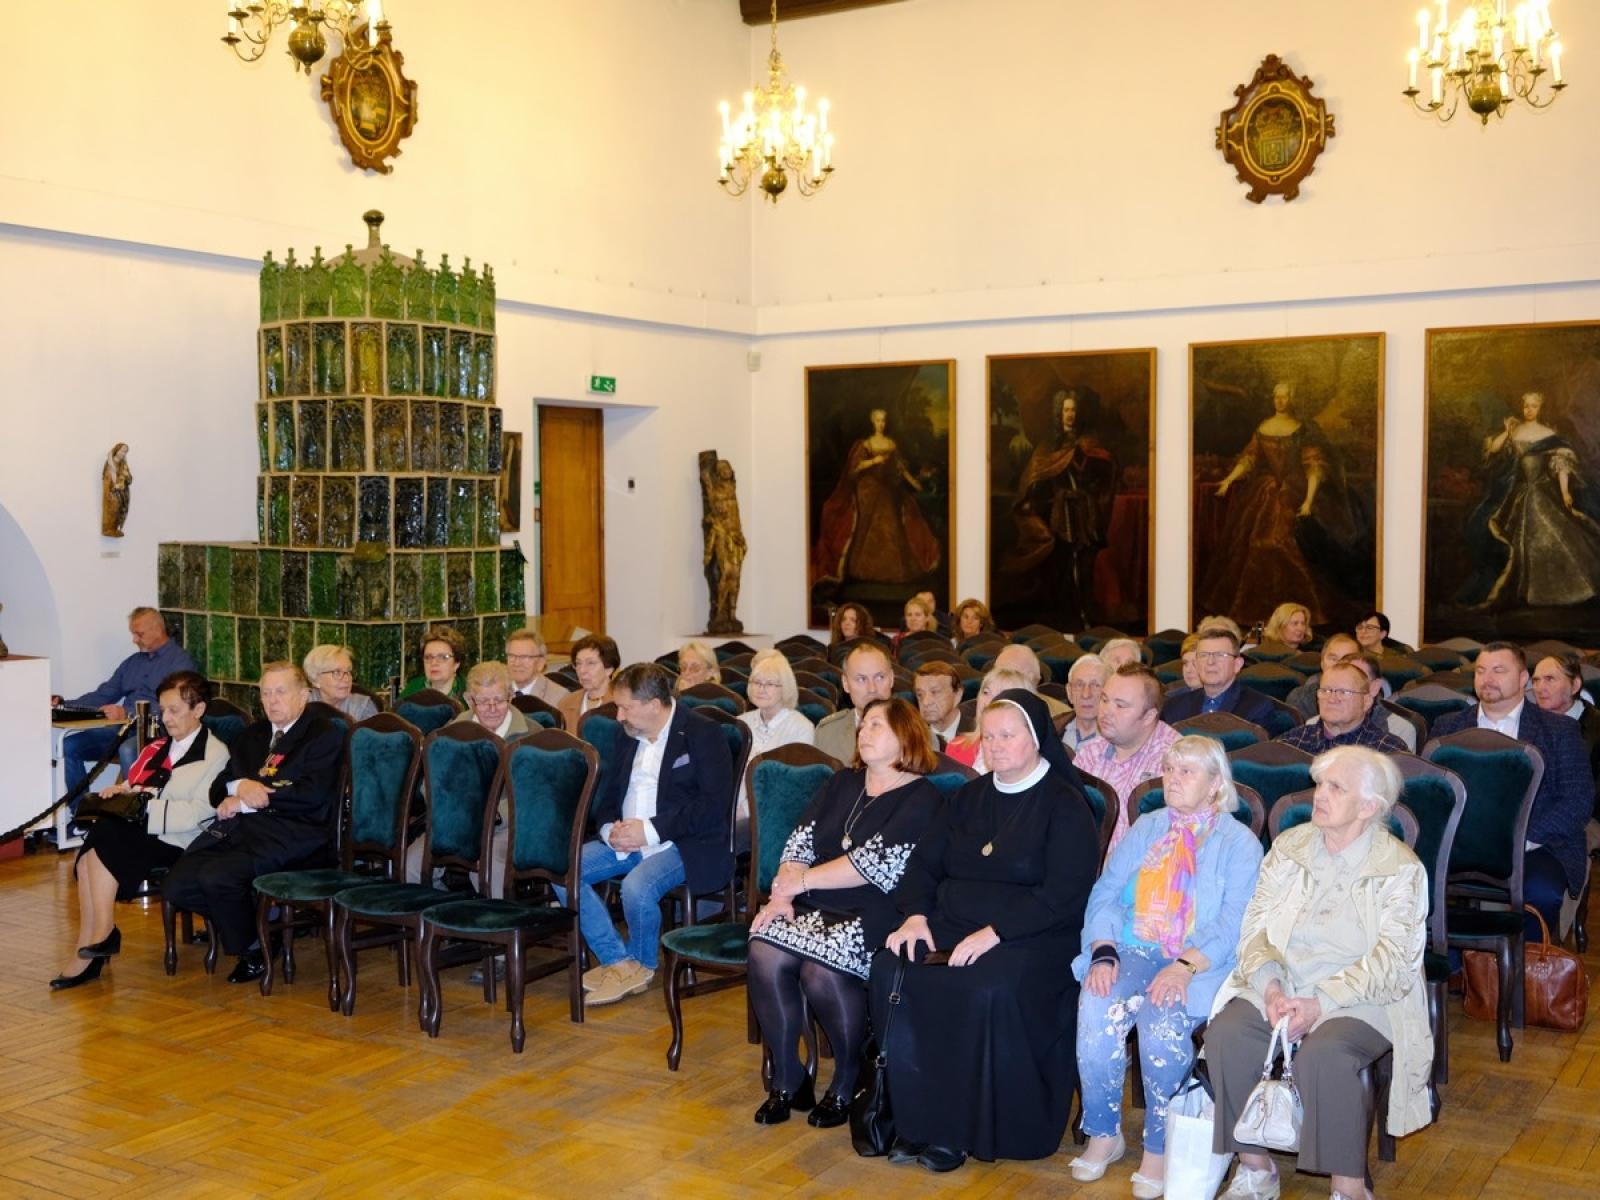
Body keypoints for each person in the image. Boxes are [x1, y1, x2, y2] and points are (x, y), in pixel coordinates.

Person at [873, 690, 1099, 1171]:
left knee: (982, 986)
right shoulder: (967, 797)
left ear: (1035, 739)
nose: (995, 746)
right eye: (988, 736)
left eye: (1007, 735)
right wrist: (915, 915)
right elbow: (923, 866)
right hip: (952, 924)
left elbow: (1065, 893)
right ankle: (916, 1120)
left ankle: (961, 1130)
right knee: (892, 967)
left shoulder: (1065, 804)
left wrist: (996, 933)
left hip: (1033, 936)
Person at [1206, 746, 1434, 1200]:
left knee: (1325, 1054)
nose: (1319, 795)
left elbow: (1393, 960)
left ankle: (1348, 1188)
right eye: (1319, 784)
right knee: (1228, 1034)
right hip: (1283, 983)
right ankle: (1256, 1169)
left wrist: (1321, 1003)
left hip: (1361, 998)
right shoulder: (1290, 848)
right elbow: (1254, 928)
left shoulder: (1399, 869)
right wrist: (1271, 987)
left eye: (1335, 787)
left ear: (1369, 807)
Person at [1069, 736, 1264, 1194]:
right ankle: (1103, 1133)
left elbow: (1235, 922)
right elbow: (1106, 893)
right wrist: (1103, 949)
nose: (1172, 780)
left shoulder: (1238, 844)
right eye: (1170, 769)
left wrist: (1182, 966)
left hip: (1198, 960)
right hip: (1133, 947)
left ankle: (1160, 1145)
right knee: (1097, 1004)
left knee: (1161, 1017)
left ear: (1216, 785)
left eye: (1187, 772)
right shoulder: (1148, 827)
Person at [748, 697, 941, 1126]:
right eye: (863, 725)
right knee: (764, 948)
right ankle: (788, 1077)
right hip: (814, 897)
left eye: (876, 726)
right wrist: (782, 895)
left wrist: (802, 882)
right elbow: (800, 841)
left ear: (906, 736)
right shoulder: (842, 782)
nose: (863, 732)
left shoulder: (921, 795)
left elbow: (872, 864)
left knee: (821, 971)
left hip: (875, 908)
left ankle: (848, 1077)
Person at [557, 663, 733, 1007]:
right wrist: (610, 830)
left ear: (654, 704)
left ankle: (644, 965)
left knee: (637, 886)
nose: (618, 714)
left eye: (626, 706)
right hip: (626, 839)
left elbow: (712, 805)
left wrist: (648, 830)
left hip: (682, 841)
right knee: (563, 869)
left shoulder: (703, 734)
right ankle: (618, 962)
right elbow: (606, 795)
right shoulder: (625, 735)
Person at [160, 662, 344, 984]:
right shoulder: (253, 735)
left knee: (218, 877)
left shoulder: (322, 733)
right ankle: (257, 926)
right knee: (178, 883)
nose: (272, 701)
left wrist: (250, 796)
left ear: (303, 695)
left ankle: (254, 947)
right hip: (245, 831)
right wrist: (237, 788)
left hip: (297, 834)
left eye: (280, 692)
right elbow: (220, 785)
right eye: (265, 693)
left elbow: (313, 793)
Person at [49, 671, 229, 990]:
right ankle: (94, 937)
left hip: (181, 839)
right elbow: (139, 784)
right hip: (147, 828)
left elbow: (199, 813)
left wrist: (144, 807)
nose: (166, 718)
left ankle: (99, 937)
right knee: (103, 833)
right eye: (163, 710)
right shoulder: (160, 746)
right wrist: (123, 793)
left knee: (109, 834)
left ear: (198, 710)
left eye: (175, 710)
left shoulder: (215, 754)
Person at [1428, 643, 1594, 941]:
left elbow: (1578, 801)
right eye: (1480, 671)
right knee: (1412, 882)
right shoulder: (1448, 727)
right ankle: (1451, 968)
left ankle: (1523, 972)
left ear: (1522, 680)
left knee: (1541, 893)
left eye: (1498, 670)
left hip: (1537, 843)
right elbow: (1431, 795)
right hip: (1461, 844)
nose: (1487, 678)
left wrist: (1523, 838)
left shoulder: (1559, 730)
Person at [1457, 390, 1600, 610]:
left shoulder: (1549, 435)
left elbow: (1560, 466)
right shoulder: (1515, 431)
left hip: (1541, 492)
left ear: (1541, 408)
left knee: (1552, 534)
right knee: (1501, 532)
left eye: (1534, 406)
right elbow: (1494, 449)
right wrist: (1506, 431)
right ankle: (1519, 591)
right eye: (1526, 406)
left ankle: (1555, 591)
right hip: (1518, 491)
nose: (1529, 410)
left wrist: (1564, 492)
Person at [53, 606, 197, 807]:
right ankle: (82, 815)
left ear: (158, 630)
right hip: (121, 730)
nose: (134, 640)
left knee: (129, 750)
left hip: (158, 732)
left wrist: (127, 712)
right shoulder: (132, 663)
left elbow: (178, 706)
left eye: (139, 634)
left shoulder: (180, 662)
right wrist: (63, 705)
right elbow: (103, 694)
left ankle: (135, 816)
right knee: (69, 746)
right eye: (133, 634)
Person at [1008, 387, 1117, 631]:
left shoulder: (1090, 443)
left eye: (1074, 410)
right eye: (1066, 410)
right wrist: (1036, 499)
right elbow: (1036, 477)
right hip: (1060, 514)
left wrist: (1092, 490)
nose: (1070, 414)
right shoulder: (1050, 445)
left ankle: (1086, 612)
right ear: (1060, 412)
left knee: (1086, 563)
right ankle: (1065, 616)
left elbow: (1104, 474)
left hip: (1085, 513)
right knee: (1063, 564)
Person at [811, 407, 940, 590]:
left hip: (887, 490)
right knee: (865, 528)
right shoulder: (865, 444)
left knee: (890, 525)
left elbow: (900, 468)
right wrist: (873, 461)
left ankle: (890, 572)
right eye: (878, 420)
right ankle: (860, 572)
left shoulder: (891, 444)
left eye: (884, 420)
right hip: (867, 490)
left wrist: (914, 483)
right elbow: (853, 469)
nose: (881, 423)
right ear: (872, 421)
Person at [1084, 664, 1182, 850]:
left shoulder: (1176, 761)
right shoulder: (1090, 752)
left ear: (1148, 716)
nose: (1106, 711)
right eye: (1104, 700)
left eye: (1120, 705)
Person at [738, 650, 816, 816]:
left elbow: (789, 785)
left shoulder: (801, 727)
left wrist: (744, 812)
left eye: (770, 684)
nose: (761, 689)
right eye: (757, 682)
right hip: (733, 808)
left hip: (775, 813)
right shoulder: (741, 723)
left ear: (785, 687)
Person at [1275, 660, 1407, 755]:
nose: (1332, 699)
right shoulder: (1291, 743)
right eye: (1326, 690)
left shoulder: (1389, 751)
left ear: (1366, 701)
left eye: (1343, 692)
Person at [1159, 625, 1278, 727]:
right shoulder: (1174, 707)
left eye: (1220, 655)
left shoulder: (1257, 707)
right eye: (1204, 655)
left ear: (1237, 664)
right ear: (1196, 664)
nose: (1210, 662)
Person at [814, 642, 895, 764]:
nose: (872, 689)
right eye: (861, 679)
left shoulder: (917, 730)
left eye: (879, 677)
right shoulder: (827, 733)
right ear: (846, 683)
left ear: (892, 678)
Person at [1530, 652, 1600, 794]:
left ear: (1574, 685)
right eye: (1536, 680)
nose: (1539, 688)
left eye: (1550, 679)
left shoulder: (1597, 728)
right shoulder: (1528, 723)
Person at [944, 667, 1031, 772]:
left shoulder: (1027, 753)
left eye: (1001, 695)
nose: (987, 702)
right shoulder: (956, 747)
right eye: (985, 692)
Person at [1286, 632, 1360, 718]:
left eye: (1347, 660)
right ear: (1322, 662)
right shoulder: (1300, 698)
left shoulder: (1368, 699)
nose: (1338, 665)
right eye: (1333, 658)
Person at [558, 633, 620, 732]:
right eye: (578, 663)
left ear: (609, 668)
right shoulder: (566, 703)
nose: (582, 670)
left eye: (590, 663)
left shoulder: (622, 704)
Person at [303, 644, 378, 721]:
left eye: (348, 671)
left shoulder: (363, 706)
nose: (347, 679)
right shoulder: (301, 705)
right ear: (316, 680)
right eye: (337, 672)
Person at [994, 643, 1069, 718]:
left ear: (1031, 678)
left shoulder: (1061, 715)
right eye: (995, 673)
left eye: (1006, 674)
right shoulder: (987, 706)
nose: (995, 679)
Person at [399, 625, 467, 700]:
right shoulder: (411, 691)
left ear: (457, 663)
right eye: (428, 657)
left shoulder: (471, 692)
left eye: (443, 657)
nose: (434, 663)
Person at [505, 627, 569, 706]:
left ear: (540, 663)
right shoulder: (497, 691)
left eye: (525, 657)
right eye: (512, 656)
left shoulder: (560, 698)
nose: (517, 663)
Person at [1062, 654, 1109, 753]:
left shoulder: (1120, 741)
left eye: (1095, 685)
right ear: (1069, 692)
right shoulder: (1053, 729)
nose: (1086, 694)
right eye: (1079, 685)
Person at [912, 660, 964, 745]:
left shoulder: (979, 733)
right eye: (920, 694)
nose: (925, 702)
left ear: (957, 695)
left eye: (935, 692)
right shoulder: (912, 737)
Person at [101, 442, 132, 537]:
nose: (123, 453)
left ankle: (114, 528)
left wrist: (127, 477)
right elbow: (107, 480)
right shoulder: (110, 464)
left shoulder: (124, 465)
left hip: (122, 495)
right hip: (112, 493)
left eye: (125, 452)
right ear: (117, 450)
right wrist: (111, 492)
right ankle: (108, 529)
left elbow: (130, 480)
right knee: (112, 511)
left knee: (119, 513)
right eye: (122, 450)